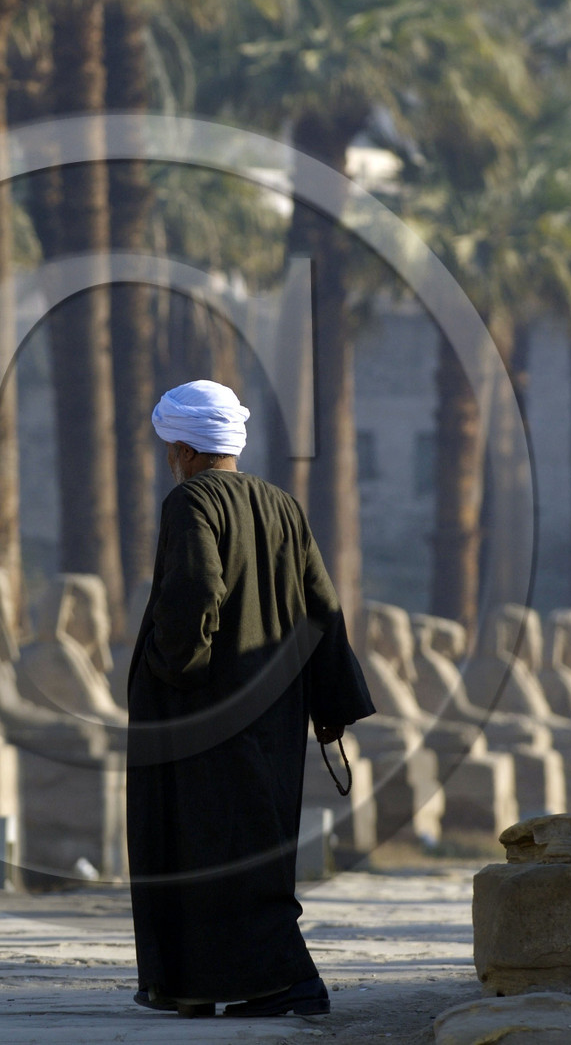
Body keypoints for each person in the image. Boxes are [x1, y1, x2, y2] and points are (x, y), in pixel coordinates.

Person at [127, 379, 376, 1018]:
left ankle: (289, 981)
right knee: (246, 843)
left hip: (204, 711)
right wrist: (331, 704)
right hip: (275, 711)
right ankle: (199, 984)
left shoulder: (191, 501)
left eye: (170, 449)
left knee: (207, 846)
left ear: (183, 450)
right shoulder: (282, 504)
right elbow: (323, 606)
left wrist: (173, 668)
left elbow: (195, 591)